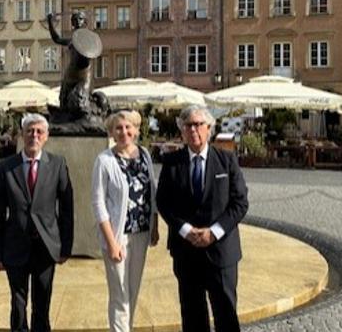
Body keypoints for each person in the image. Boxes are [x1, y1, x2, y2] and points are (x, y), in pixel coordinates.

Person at [156, 105, 249, 332]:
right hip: (186, 252)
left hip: (221, 252)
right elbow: (164, 203)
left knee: (226, 314)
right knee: (192, 315)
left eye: (199, 124)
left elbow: (240, 203)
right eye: (188, 125)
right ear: (182, 130)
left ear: (209, 129)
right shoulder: (172, 163)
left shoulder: (226, 160)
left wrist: (214, 231)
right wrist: (185, 230)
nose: (194, 130)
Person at [0, 114, 74, 332]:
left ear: (46, 137)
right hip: (15, 246)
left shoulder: (57, 164)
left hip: (46, 247)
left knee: (42, 305)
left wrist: (66, 246)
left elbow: (66, 208)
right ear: (22, 134)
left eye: (39, 132)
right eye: (29, 131)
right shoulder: (6, 167)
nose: (34, 136)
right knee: (18, 305)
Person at [91, 110, 159, 331]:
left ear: (137, 130)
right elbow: (98, 203)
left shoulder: (145, 155)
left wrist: (155, 225)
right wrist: (111, 242)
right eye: (118, 128)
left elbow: (152, 192)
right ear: (111, 132)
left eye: (128, 127)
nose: (124, 132)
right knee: (120, 295)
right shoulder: (104, 160)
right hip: (117, 236)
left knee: (133, 290)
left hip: (141, 233)